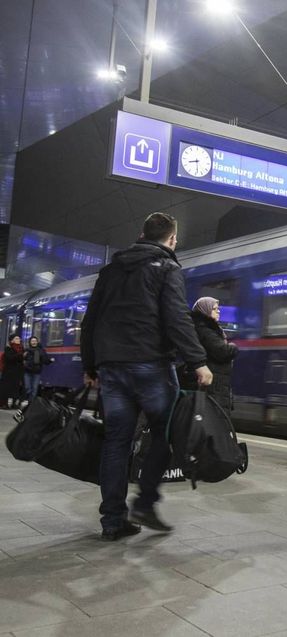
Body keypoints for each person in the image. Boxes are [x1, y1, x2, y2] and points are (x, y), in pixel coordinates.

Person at [81, 212, 212, 542]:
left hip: (112, 367)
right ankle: (145, 502)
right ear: (171, 240)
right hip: (150, 365)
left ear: (142, 235)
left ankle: (112, 520)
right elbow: (176, 319)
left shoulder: (110, 271)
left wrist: (90, 366)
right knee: (164, 435)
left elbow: (91, 320)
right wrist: (198, 361)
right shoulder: (168, 268)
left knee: (117, 441)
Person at [179, 297, 238, 410]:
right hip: (211, 386)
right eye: (215, 309)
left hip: (215, 385)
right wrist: (233, 347)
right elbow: (222, 351)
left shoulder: (209, 329)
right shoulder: (204, 329)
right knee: (212, 419)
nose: (218, 311)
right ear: (205, 310)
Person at [23, 336, 54, 402]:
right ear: (30, 342)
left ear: (37, 342)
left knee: (34, 388)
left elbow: (45, 360)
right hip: (27, 371)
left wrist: (50, 361)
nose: (34, 342)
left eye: (35, 341)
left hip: (36, 372)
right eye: (32, 341)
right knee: (27, 387)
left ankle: (31, 402)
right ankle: (27, 399)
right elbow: (22, 359)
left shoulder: (41, 351)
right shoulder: (26, 350)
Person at [1, 335, 25, 409]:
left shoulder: (21, 348)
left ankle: (14, 403)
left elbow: (21, 360)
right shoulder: (8, 348)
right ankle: (4, 404)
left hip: (18, 372)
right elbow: (10, 358)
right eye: (16, 338)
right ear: (12, 340)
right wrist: (21, 355)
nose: (19, 339)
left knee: (16, 388)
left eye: (19, 338)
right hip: (9, 372)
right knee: (6, 388)